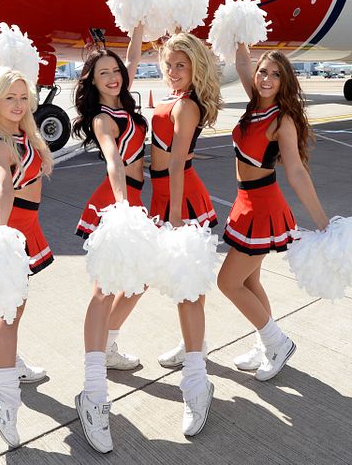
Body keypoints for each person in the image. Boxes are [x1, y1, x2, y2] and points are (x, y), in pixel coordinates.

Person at [217, 44, 329, 381]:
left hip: (264, 207)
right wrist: (238, 30)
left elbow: (295, 172)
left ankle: (277, 342)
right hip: (245, 202)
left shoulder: (282, 119)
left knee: (227, 282)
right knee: (250, 280)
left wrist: (322, 221)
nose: (266, 78)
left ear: (285, 82)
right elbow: (240, 60)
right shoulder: (254, 102)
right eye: (263, 71)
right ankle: (264, 344)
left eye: (275, 74)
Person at [0, 66, 54, 448]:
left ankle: (12, 362)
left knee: (15, 308)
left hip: (24, 229)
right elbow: (2, 187)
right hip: (10, 230)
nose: (18, 104)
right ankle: (1, 396)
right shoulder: (0, 144)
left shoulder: (23, 135)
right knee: (8, 313)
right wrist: (1, 235)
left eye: (23, 97)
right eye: (10, 98)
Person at [73, 27, 148, 454]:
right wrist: (121, 209)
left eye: (115, 71)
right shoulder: (104, 118)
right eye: (103, 74)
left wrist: (137, 23)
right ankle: (92, 387)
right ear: (93, 82)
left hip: (136, 202)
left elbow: (132, 57)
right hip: (116, 203)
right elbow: (114, 160)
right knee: (103, 291)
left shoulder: (126, 101)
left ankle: (110, 343)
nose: (114, 77)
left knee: (137, 283)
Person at [147, 31, 222, 437]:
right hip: (164, 196)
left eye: (182, 65)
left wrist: (175, 221)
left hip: (181, 200)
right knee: (179, 287)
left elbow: (176, 164)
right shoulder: (172, 98)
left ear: (195, 69)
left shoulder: (187, 106)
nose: (174, 72)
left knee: (188, 288)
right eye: (170, 64)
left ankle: (197, 380)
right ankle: (193, 345)